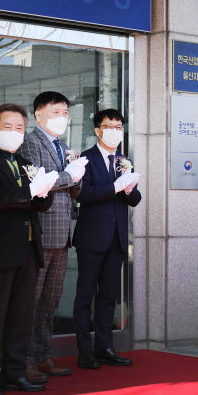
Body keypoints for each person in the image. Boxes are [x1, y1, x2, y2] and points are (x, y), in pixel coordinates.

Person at [0, 104, 59, 395]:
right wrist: (28, 194)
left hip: (28, 248)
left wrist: (43, 191)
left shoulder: (24, 161)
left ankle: (14, 372)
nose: (14, 133)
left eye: (19, 128)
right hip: (0, 249)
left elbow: (39, 205)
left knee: (21, 316)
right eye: (8, 127)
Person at [16, 91, 87, 382]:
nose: (63, 117)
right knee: (30, 302)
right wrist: (70, 176)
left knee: (50, 302)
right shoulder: (30, 143)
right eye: (56, 111)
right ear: (39, 115)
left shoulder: (64, 145)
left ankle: (44, 356)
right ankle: (24, 361)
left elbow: (72, 186)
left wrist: (76, 179)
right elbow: (40, 179)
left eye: (66, 112)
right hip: (41, 233)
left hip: (62, 234)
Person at [72, 109, 141, 369]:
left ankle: (105, 347)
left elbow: (134, 199)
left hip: (117, 239)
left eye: (118, 126)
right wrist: (115, 187)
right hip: (91, 238)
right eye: (109, 126)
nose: (114, 131)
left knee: (108, 296)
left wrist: (130, 188)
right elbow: (83, 194)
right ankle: (84, 351)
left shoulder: (124, 160)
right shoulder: (85, 160)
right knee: (85, 296)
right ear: (97, 130)